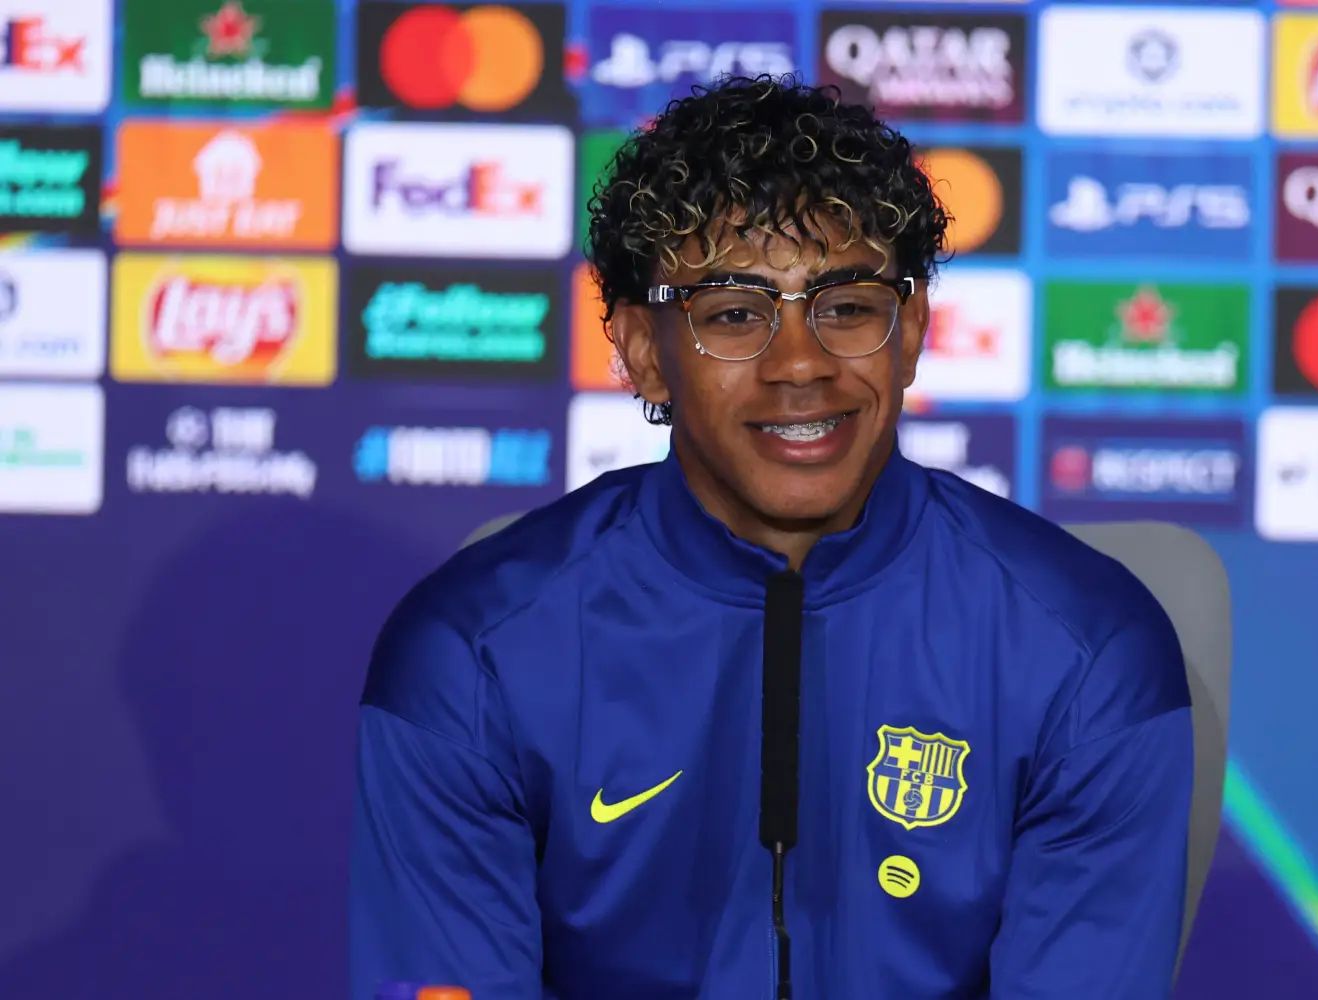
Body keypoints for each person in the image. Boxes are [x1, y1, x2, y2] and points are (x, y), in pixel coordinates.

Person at [348, 74, 1194, 999]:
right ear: (643, 351)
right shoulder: (473, 656)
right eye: (734, 314)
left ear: (911, 329)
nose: (800, 365)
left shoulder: (1086, 649)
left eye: (847, 306)